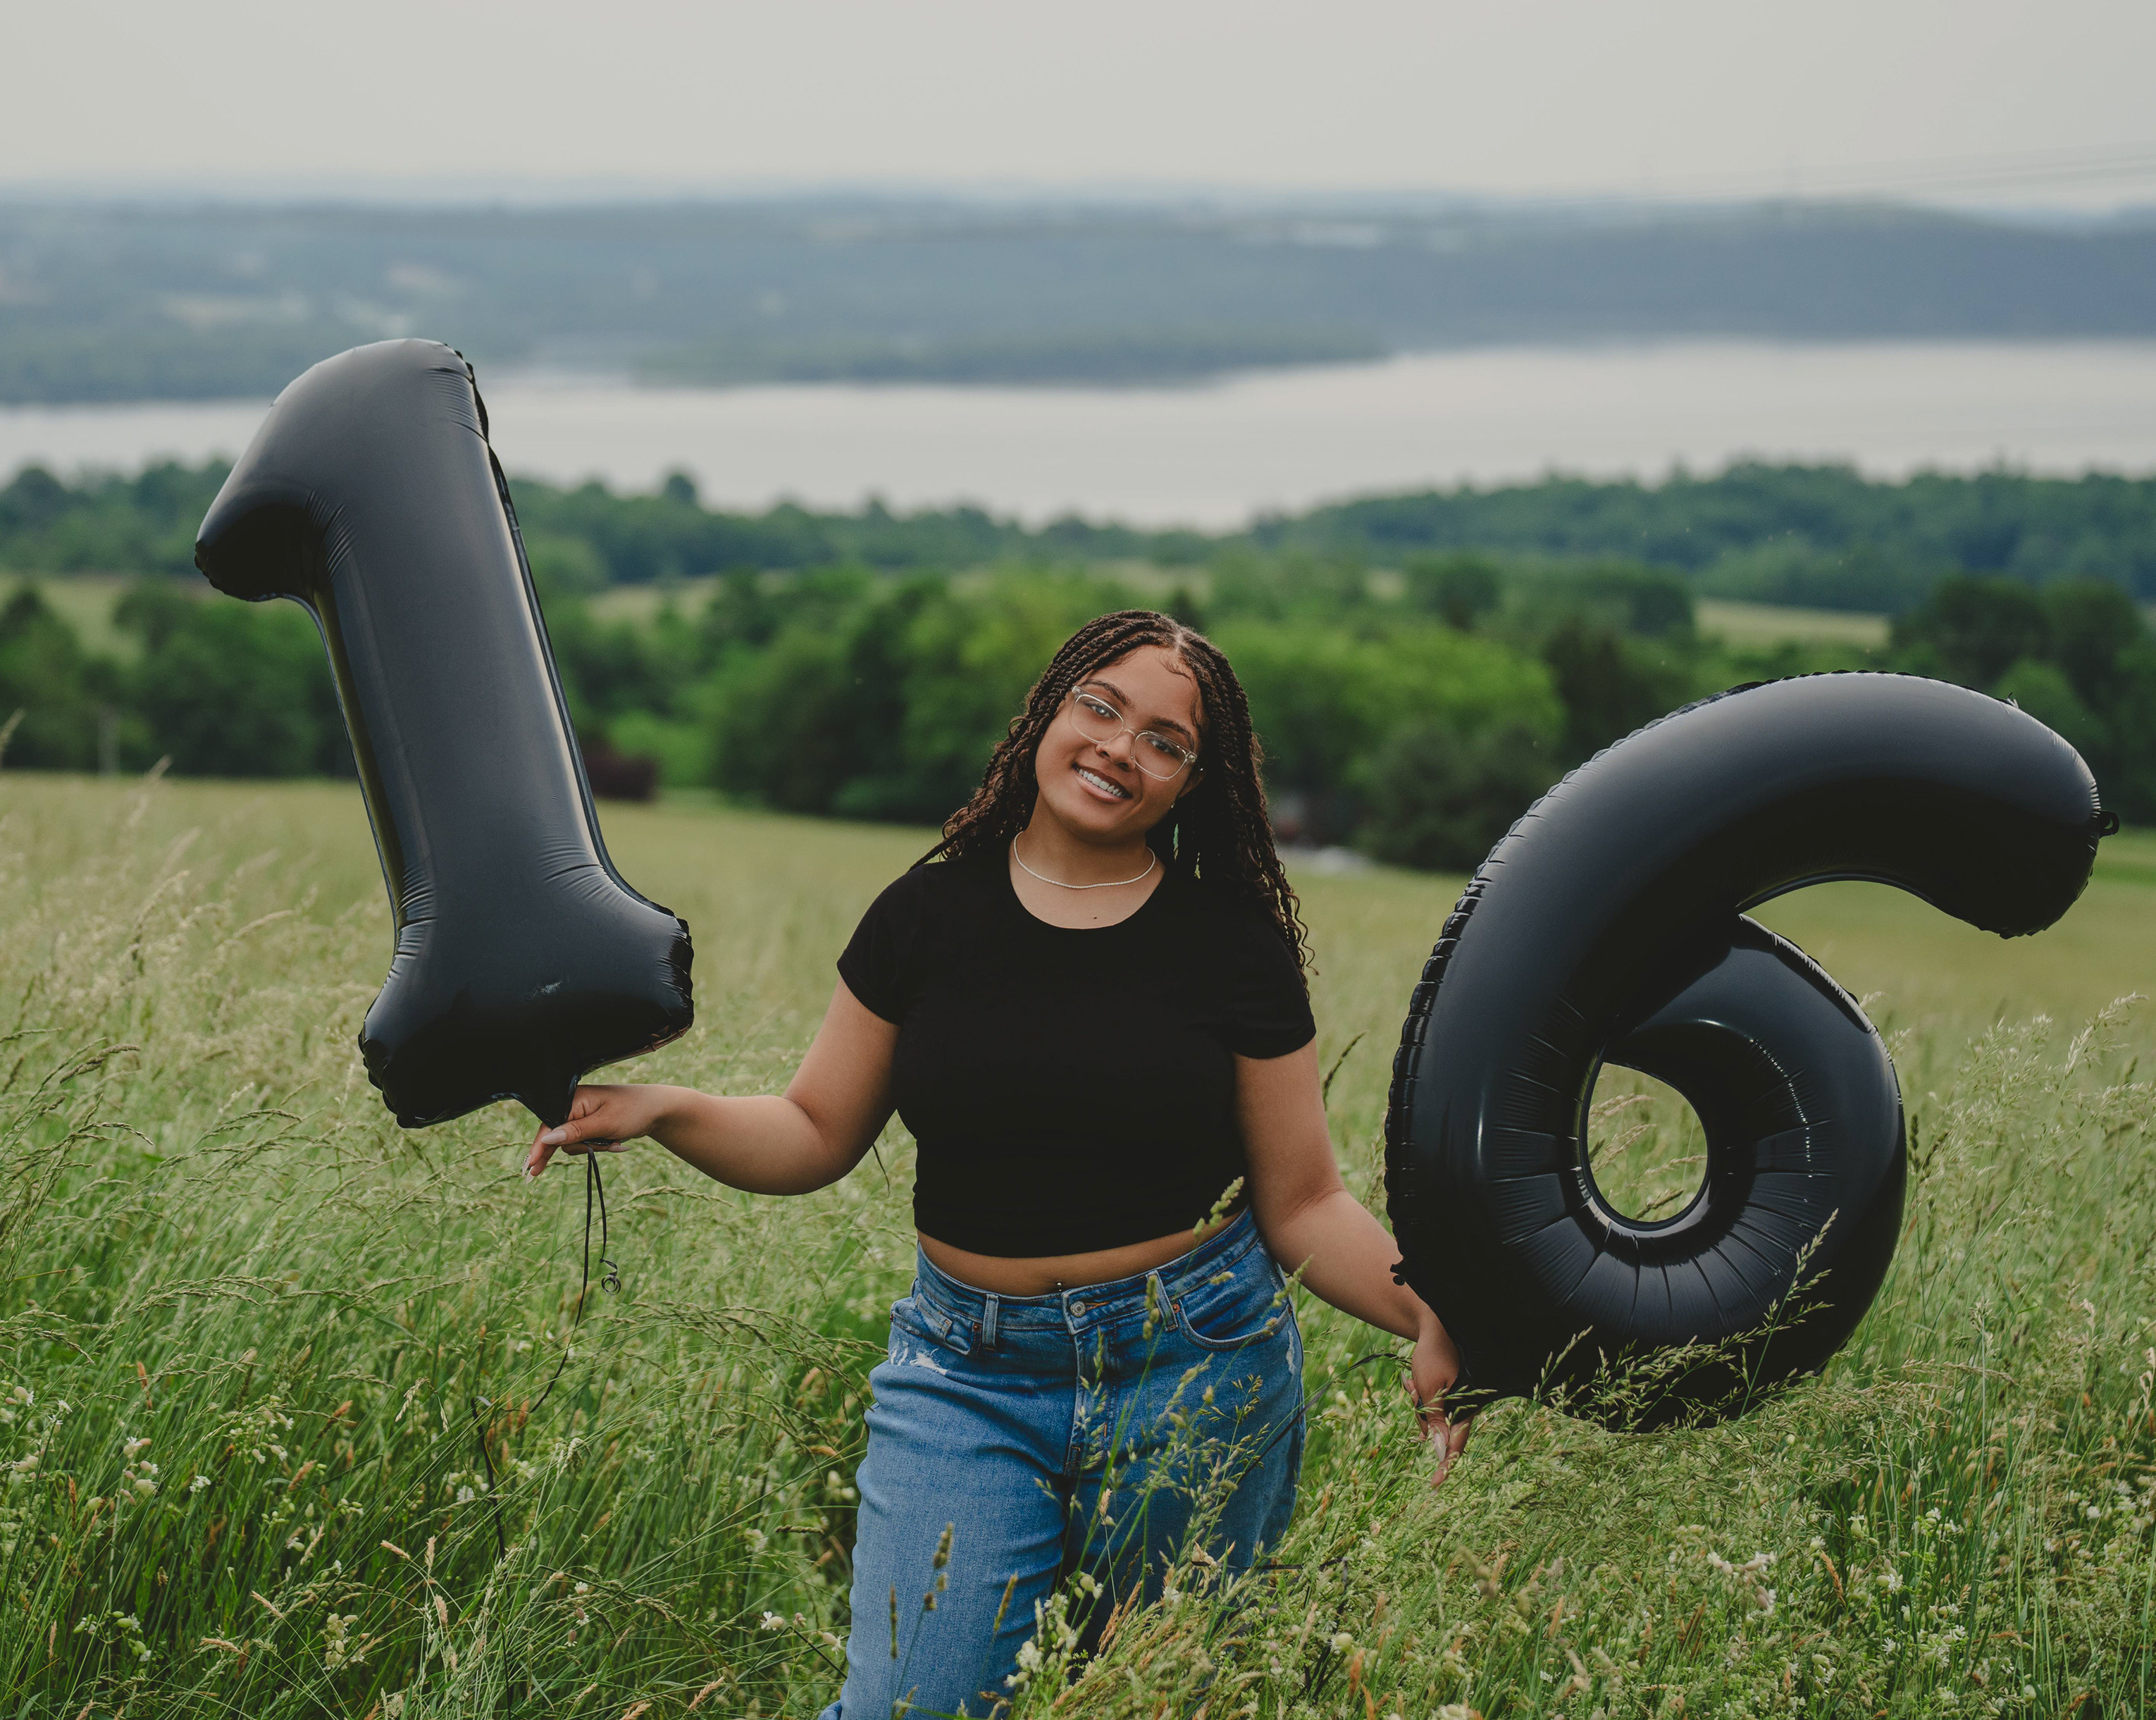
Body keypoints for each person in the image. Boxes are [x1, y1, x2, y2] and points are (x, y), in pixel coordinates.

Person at [524, 610, 1468, 1718]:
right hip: (964, 1375)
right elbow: (814, 1131)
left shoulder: (1232, 948)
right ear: (1048, 714)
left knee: (1145, 1704)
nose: (1119, 748)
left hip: (1194, 1372)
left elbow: (1303, 1202)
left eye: (1164, 741)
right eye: (1100, 707)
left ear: (1193, 783)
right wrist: (664, 1109)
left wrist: (1433, 1314)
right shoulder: (923, 917)